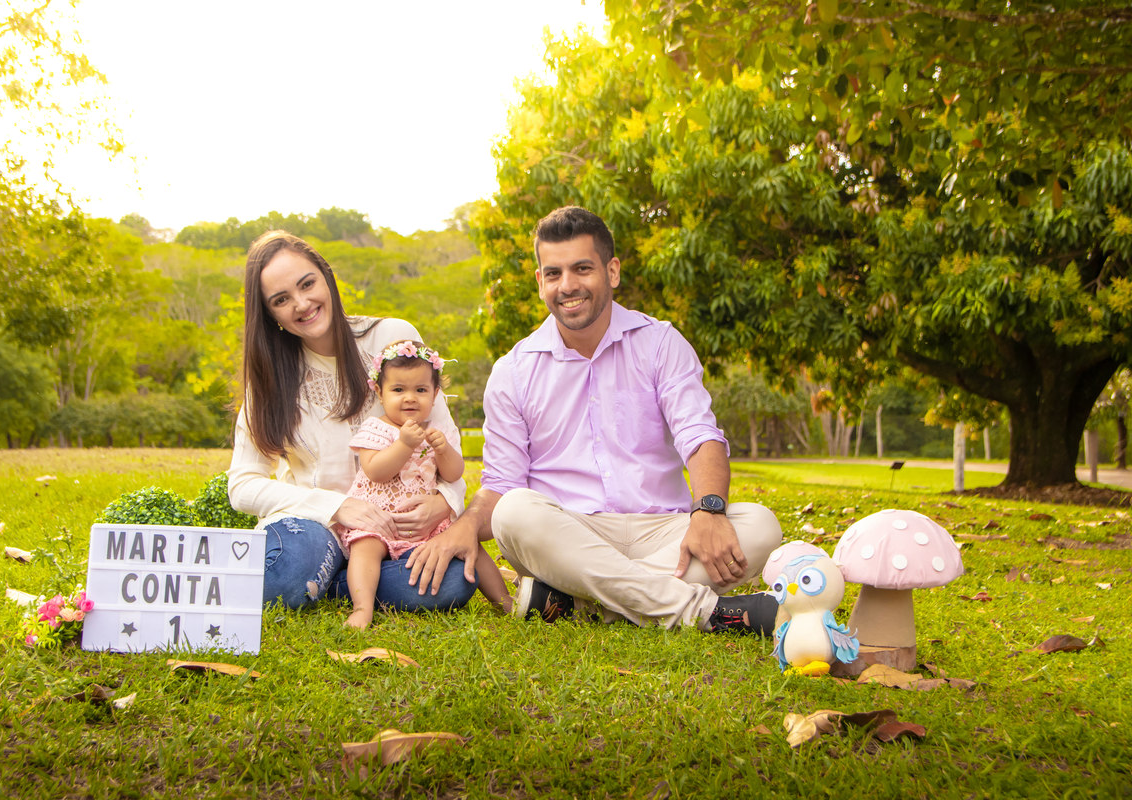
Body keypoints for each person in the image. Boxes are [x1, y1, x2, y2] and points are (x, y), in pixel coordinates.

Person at [408, 206, 782, 634]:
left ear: (613, 271)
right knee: (515, 512)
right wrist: (467, 526)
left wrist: (708, 511)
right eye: (553, 273)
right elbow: (502, 486)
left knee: (760, 526)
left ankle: (583, 604)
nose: (567, 286)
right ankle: (701, 611)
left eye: (582, 269)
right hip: (568, 531)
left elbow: (700, 437)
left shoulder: (660, 343)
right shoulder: (513, 370)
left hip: (663, 530)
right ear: (540, 280)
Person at [227, 230, 477, 614]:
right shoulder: (269, 379)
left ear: (327, 277)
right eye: (281, 300)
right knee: (292, 563)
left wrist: (445, 503)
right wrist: (337, 506)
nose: (302, 303)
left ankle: (338, 584)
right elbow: (242, 486)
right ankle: (336, 577)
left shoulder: (393, 338)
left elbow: (446, 443)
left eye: (307, 284)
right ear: (270, 314)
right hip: (317, 531)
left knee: (455, 580)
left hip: (393, 535)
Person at [336, 339, 512, 628]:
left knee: (470, 546)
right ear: (380, 392)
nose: (410, 398)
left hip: (426, 527)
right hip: (381, 521)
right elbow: (375, 471)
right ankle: (361, 608)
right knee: (364, 549)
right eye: (398, 390)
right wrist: (404, 445)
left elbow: (454, 474)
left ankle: (504, 602)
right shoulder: (376, 428)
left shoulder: (437, 431)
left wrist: (443, 451)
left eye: (421, 390)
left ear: (435, 394)